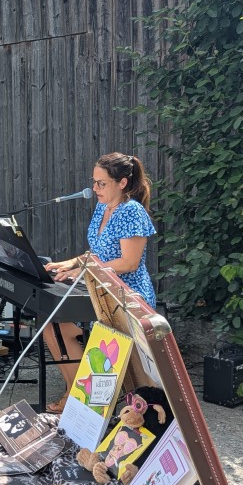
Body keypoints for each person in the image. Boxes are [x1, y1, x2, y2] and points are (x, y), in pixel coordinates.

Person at [42, 152, 156, 413]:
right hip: (100, 292)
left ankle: (85, 399)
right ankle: (74, 392)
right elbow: (98, 253)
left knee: (60, 328)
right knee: (53, 327)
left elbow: (129, 262)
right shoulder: (103, 207)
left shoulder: (132, 212)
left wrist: (85, 269)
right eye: (94, 182)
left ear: (122, 183)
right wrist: (72, 262)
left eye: (101, 183)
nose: (94, 188)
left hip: (126, 298)